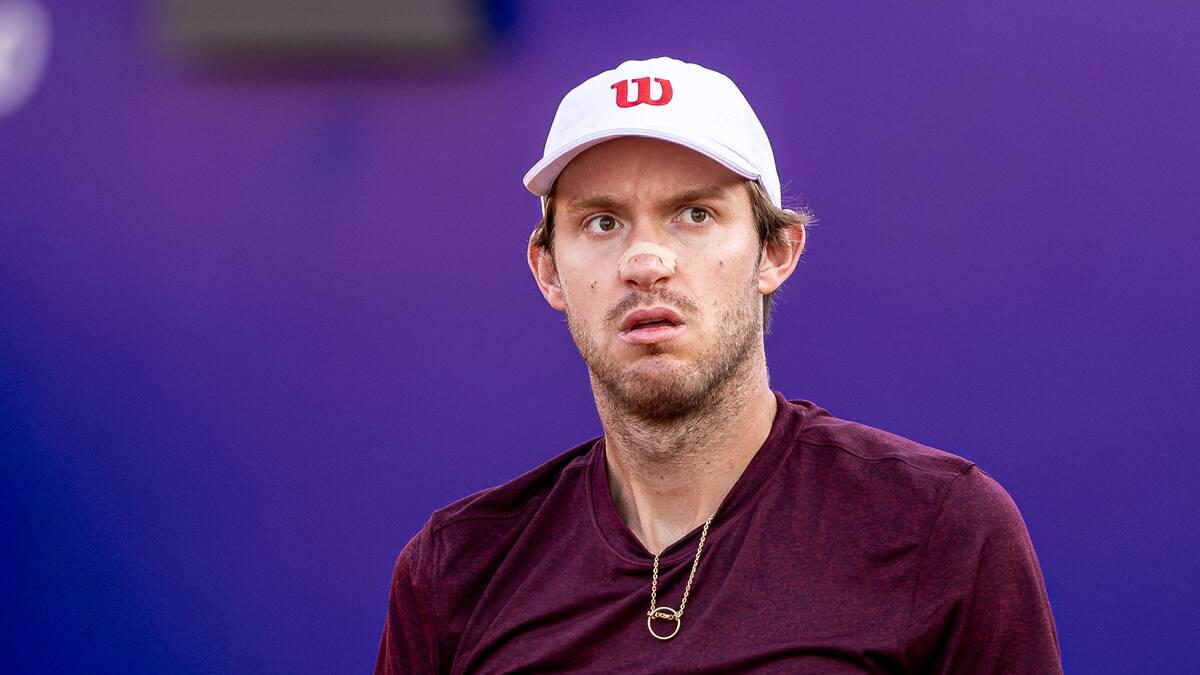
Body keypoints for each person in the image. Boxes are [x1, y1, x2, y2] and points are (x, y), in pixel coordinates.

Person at [375, 57, 1062, 674]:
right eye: (602, 222)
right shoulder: (458, 571)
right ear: (549, 270)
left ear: (776, 252)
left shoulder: (939, 528)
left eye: (695, 214)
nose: (646, 262)